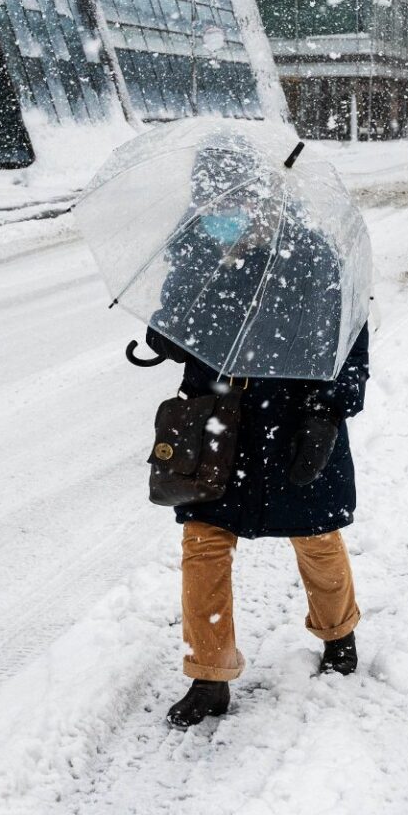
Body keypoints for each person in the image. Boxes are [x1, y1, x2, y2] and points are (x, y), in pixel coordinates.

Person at [145, 147, 371, 728]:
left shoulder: (314, 255)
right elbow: (180, 321)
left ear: (269, 197)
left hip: (295, 419)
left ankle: (338, 634)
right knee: (204, 542)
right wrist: (168, 333)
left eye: (242, 200)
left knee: (316, 536)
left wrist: (329, 412)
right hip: (219, 422)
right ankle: (209, 674)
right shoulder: (196, 250)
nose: (229, 213)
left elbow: (350, 342)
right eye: (217, 202)